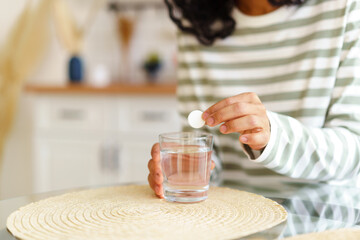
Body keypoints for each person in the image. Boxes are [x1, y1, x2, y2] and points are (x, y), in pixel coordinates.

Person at [148, 0, 360, 198]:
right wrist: (190, 170)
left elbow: (354, 153)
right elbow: (203, 143)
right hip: (232, 217)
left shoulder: (342, 8)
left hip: (325, 217)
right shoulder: (196, 24)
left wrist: (273, 136)